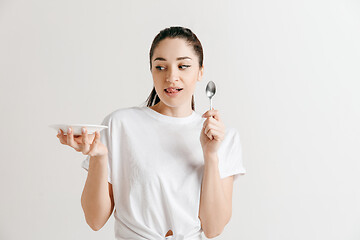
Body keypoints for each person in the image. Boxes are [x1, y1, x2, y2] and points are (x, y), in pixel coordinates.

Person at [56, 26, 246, 240]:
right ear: (151, 71)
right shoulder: (120, 124)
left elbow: (213, 228)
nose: (171, 77)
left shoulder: (223, 137)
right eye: (160, 67)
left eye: (183, 66)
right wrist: (99, 157)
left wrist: (211, 155)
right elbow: (94, 219)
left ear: (200, 71)